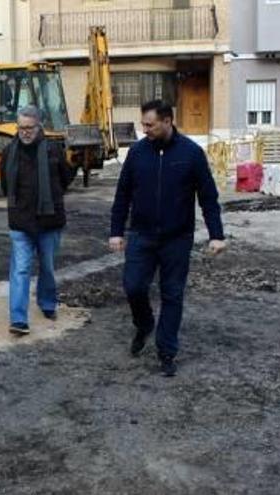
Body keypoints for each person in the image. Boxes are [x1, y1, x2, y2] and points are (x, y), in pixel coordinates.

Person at [108, 99, 225, 377]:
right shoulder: (137, 154)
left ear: (167, 121)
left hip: (177, 238)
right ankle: (145, 323)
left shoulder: (191, 154)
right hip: (141, 235)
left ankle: (166, 351)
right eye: (143, 124)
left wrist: (216, 235)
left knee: (172, 295)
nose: (144, 129)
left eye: (149, 125)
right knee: (133, 286)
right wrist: (116, 231)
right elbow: (122, 194)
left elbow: (208, 197)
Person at [0, 105, 70, 335]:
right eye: (21, 128)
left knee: (47, 268)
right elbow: (4, 185)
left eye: (29, 128)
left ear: (39, 126)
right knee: (20, 269)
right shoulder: (10, 152)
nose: (25, 132)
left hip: (49, 222)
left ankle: (47, 303)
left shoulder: (53, 149)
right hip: (21, 222)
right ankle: (18, 319)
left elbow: (66, 178)